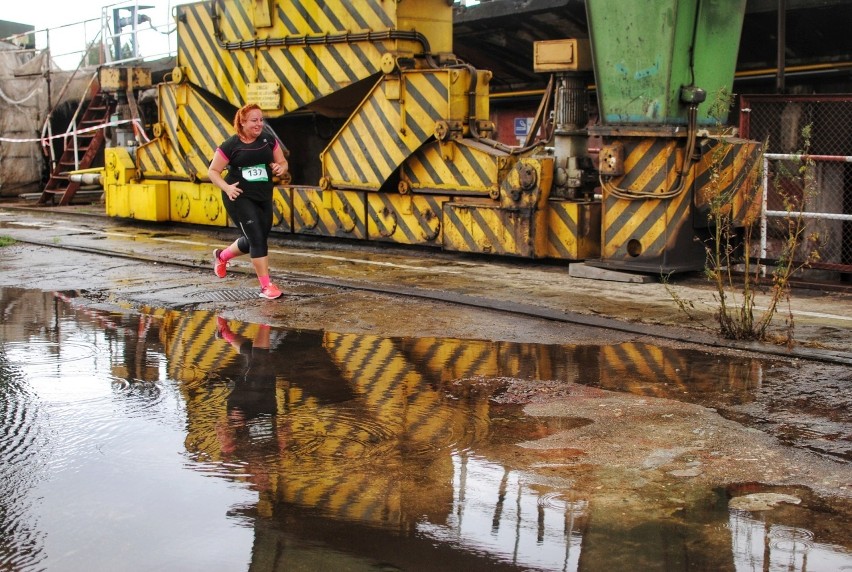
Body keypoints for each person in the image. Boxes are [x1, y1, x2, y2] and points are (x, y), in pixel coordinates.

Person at [208, 103, 289, 299]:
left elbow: (283, 162)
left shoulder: (267, 140)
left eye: (261, 120)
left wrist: (281, 168)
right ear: (242, 122)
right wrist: (227, 188)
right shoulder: (231, 145)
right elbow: (213, 171)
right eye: (254, 120)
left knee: (255, 238)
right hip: (239, 197)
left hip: (263, 196)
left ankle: (222, 256)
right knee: (257, 238)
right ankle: (266, 286)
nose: (259, 124)